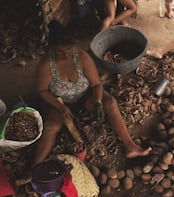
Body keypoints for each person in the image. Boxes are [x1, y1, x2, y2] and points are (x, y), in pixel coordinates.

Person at [15, 20, 151, 185]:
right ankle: (33, 168)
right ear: (51, 48)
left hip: (84, 96)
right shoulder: (46, 65)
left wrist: (99, 103)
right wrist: (60, 106)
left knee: (110, 103)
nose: (65, 54)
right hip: (59, 101)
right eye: (60, 51)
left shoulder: (82, 57)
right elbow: (43, 91)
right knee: (52, 126)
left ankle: (130, 146)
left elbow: (96, 84)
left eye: (68, 50)